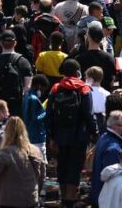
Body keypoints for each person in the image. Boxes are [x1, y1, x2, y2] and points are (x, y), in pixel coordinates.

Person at [46, 59, 95, 208]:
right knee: (75, 165)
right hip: (79, 135)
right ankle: (70, 198)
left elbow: (49, 114)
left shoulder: (55, 88)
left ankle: (62, 198)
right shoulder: (84, 89)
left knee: (62, 164)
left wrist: (52, 136)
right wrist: (95, 132)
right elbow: (88, 114)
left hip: (60, 134)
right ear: (77, 72)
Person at [0, 116, 45, 208]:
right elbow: (42, 176)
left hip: (9, 202)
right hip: (31, 200)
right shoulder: (35, 150)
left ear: (6, 133)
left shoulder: (6, 152)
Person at [91, 110, 122, 207]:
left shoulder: (104, 137)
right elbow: (113, 180)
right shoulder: (114, 149)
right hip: (108, 200)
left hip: (100, 196)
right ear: (116, 126)